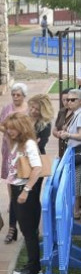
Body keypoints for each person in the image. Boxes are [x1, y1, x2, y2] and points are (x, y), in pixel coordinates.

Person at [3, 114, 43, 274]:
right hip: (17, 189)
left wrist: (26, 190)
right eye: (8, 128)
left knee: (29, 231)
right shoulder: (16, 143)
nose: (9, 131)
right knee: (27, 231)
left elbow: (37, 168)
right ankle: (32, 265)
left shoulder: (29, 144)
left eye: (13, 128)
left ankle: (34, 268)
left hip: (25, 192)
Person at [0, 83, 29, 244]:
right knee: (10, 179)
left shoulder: (28, 110)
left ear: (24, 95)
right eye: (13, 95)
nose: (15, 97)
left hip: (23, 152)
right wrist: (10, 131)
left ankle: (22, 214)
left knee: (22, 179)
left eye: (18, 95)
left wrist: (20, 135)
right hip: (9, 148)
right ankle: (12, 208)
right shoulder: (7, 108)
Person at [59, 89, 81, 219]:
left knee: (76, 183)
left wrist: (68, 135)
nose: (69, 102)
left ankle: (76, 211)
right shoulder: (75, 114)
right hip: (74, 152)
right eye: (68, 100)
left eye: (73, 100)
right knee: (75, 182)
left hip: (78, 152)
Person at [52, 88, 74, 158]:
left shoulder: (78, 113)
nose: (65, 102)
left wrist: (67, 133)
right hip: (62, 151)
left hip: (74, 152)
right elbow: (55, 130)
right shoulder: (61, 112)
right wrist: (58, 134)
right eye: (63, 100)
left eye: (67, 100)